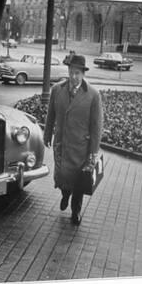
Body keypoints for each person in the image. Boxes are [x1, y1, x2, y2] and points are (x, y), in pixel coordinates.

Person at [43, 54, 103, 225]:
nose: (74, 77)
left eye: (77, 73)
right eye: (71, 72)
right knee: (62, 177)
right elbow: (50, 116)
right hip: (61, 144)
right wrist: (47, 134)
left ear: (83, 74)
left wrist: (93, 151)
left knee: (79, 181)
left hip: (80, 147)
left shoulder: (93, 95)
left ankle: (76, 211)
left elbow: (97, 125)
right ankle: (64, 194)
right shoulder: (57, 90)